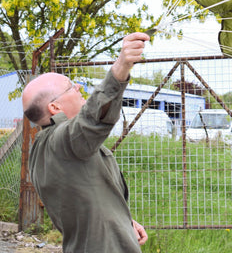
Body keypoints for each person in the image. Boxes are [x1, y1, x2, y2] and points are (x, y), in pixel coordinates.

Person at [22, 32, 150, 253]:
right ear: (55, 108)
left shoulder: (47, 149)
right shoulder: (61, 142)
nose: (79, 87)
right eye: (71, 86)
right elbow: (92, 119)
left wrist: (122, 222)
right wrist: (120, 68)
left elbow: (85, 204)